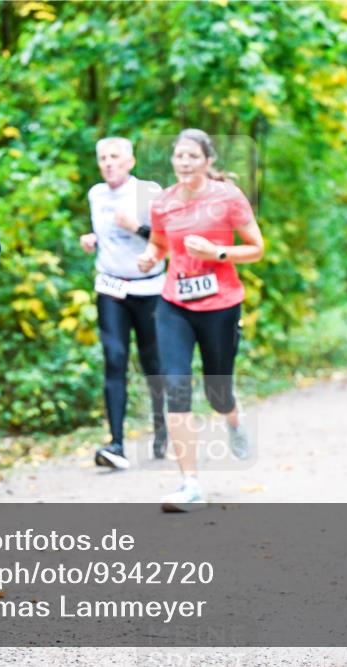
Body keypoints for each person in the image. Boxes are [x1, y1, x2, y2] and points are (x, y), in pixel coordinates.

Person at [136, 129, 264, 512]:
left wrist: (217, 252)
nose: (185, 163)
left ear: (208, 161)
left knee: (217, 390)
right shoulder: (163, 203)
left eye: (193, 156)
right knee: (175, 386)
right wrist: (150, 257)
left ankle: (233, 420)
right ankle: (189, 483)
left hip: (221, 304)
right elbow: (159, 244)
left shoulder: (227, 198)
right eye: (179, 156)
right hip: (175, 303)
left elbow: (256, 248)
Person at [79, 137, 168, 469]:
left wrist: (138, 227)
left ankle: (161, 427)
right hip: (111, 287)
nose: (108, 163)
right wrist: (93, 239)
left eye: (115, 156)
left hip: (149, 289)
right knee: (114, 359)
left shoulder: (149, 191)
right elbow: (104, 233)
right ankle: (116, 444)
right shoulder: (96, 194)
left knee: (152, 363)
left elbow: (167, 239)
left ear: (130, 161)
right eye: (103, 157)